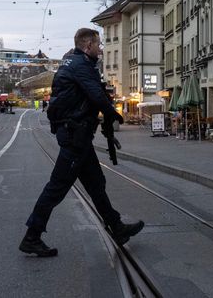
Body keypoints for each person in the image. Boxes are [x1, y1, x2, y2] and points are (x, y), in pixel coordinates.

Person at [20, 28, 144, 257]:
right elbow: (96, 95)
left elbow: (90, 97)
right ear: (87, 45)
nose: (100, 49)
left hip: (79, 137)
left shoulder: (74, 64)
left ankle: (116, 226)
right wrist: (114, 115)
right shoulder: (82, 66)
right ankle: (32, 236)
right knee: (56, 188)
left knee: (96, 183)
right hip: (75, 138)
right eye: (98, 44)